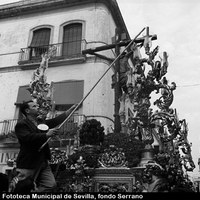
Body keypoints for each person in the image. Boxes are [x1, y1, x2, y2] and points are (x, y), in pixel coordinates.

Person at [12, 100, 77, 192]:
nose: (37, 107)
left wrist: (69, 111)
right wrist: (46, 135)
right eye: (34, 106)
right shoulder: (21, 124)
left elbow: (55, 121)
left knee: (51, 185)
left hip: (42, 161)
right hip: (28, 162)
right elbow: (27, 138)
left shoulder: (40, 122)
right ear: (27, 111)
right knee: (22, 187)